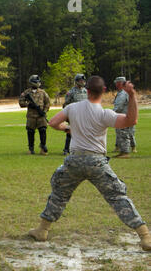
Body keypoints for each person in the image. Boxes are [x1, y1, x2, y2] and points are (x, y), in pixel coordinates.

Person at [28, 76, 150, 252]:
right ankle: (145, 236)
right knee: (117, 197)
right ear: (104, 90)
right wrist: (132, 95)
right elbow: (132, 120)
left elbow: (53, 122)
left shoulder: (72, 108)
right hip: (97, 162)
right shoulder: (104, 114)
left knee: (59, 194)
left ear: (87, 90)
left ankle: (42, 229)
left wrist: (67, 128)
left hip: (75, 160)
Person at [19, 75, 50, 155]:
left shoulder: (43, 92)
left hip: (41, 116)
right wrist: (28, 105)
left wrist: (44, 111)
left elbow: (47, 103)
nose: (38, 83)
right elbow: (21, 102)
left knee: (43, 130)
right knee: (30, 132)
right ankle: (31, 148)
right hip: (31, 116)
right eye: (36, 82)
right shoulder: (26, 92)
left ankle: (43, 147)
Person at [62, 74, 88, 155]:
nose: (82, 82)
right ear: (76, 81)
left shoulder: (86, 91)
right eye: (81, 80)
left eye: (83, 80)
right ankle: (66, 149)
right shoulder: (71, 92)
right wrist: (67, 116)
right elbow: (66, 104)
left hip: (84, 115)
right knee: (70, 133)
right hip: (74, 115)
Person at [113, 77, 136, 158]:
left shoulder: (122, 93)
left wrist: (111, 113)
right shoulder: (122, 92)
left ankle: (125, 152)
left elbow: (119, 106)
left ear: (120, 83)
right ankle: (123, 151)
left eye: (117, 83)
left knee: (123, 134)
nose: (115, 84)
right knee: (124, 134)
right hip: (125, 116)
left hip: (122, 116)